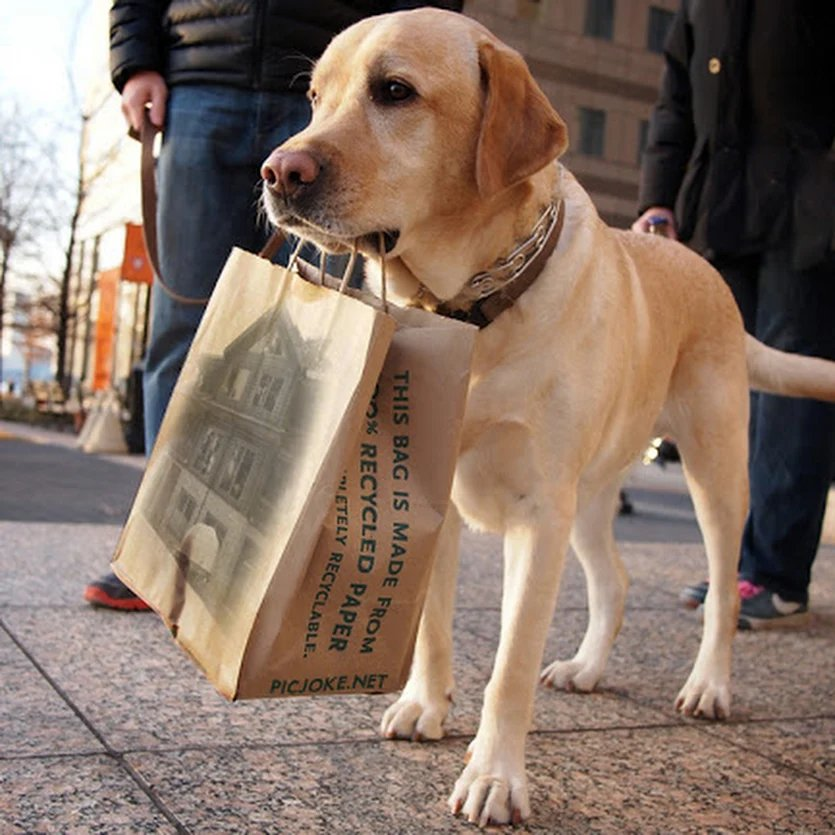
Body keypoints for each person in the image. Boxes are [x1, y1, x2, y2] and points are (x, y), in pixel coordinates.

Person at [84, 0, 463, 611]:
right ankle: (162, 547)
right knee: (182, 324)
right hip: (199, 77)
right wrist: (134, 62)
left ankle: (300, 550)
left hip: (335, 75)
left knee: (335, 337)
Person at [632, 0, 835, 629]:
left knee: (788, 392)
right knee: (728, 394)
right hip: (723, 208)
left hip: (812, 212)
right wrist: (660, 198)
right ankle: (741, 566)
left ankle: (776, 574)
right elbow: (676, 106)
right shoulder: (701, 7)